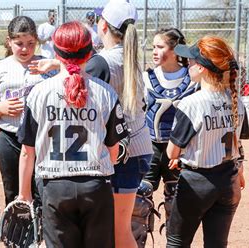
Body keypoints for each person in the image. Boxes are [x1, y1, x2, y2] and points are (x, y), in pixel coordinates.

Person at [17, 21, 128, 248]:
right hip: (95, 185)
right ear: (90, 53)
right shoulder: (106, 92)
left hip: (54, 187)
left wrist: (23, 193)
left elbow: (28, 152)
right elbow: (114, 151)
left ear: (56, 53)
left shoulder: (38, 93)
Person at [166, 35, 249, 247]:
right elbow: (237, 144)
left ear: (203, 68)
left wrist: (181, 156)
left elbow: (171, 153)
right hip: (228, 181)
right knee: (217, 244)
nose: (188, 65)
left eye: (191, 61)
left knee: (177, 242)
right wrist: (239, 170)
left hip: (197, 183)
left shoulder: (191, 103)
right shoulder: (236, 101)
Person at [90, 1, 153, 247]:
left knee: (117, 230)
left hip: (121, 153)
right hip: (137, 147)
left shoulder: (102, 61)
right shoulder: (129, 57)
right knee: (117, 228)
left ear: (103, 25)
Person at [133, 27, 198, 246]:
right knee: (139, 202)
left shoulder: (192, 78)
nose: (154, 51)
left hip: (179, 151)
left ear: (174, 50)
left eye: (159, 47)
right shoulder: (147, 78)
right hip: (150, 146)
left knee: (176, 203)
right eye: (153, 47)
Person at [0, 16, 53, 205]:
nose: (25, 49)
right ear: (9, 41)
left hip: (42, 139)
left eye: (31, 43)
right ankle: (16, 234)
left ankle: (41, 234)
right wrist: (1, 108)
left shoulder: (47, 65)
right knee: (13, 193)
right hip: (11, 138)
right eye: (19, 43)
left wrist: (55, 65)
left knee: (43, 193)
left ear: (37, 41)